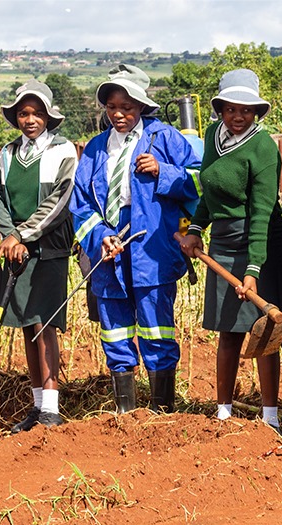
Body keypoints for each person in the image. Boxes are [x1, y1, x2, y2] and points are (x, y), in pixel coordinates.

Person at [72, 64, 200, 414]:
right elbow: (80, 205)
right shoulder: (97, 148)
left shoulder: (166, 138)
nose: (119, 114)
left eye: (127, 108)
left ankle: (162, 411)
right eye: (113, 107)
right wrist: (100, 237)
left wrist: (165, 172)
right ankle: (125, 412)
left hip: (153, 246)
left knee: (157, 327)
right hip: (109, 251)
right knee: (114, 328)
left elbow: (201, 182)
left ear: (142, 107)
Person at [179, 68, 282, 429]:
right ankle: (223, 411)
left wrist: (254, 269)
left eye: (246, 109)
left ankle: (270, 416)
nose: (238, 116)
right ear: (220, 108)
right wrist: (196, 229)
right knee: (228, 330)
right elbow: (209, 191)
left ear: (256, 111)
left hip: (257, 241)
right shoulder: (213, 136)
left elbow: (261, 213)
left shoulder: (263, 147)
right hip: (222, 241)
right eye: (230, 108)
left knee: (264, 328)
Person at [0, 81, 78, 432]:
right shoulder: (7, 154)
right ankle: (37, 405)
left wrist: (21, 235)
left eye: (37, 113)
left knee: (45, 323)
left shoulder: (63, 150)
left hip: (49, 249)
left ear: (48, 117)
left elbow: (58, 202)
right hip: (15, 251)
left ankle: (53, 407)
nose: (30, 119)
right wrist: (9, 236)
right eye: (24, 113)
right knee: (26, 324)